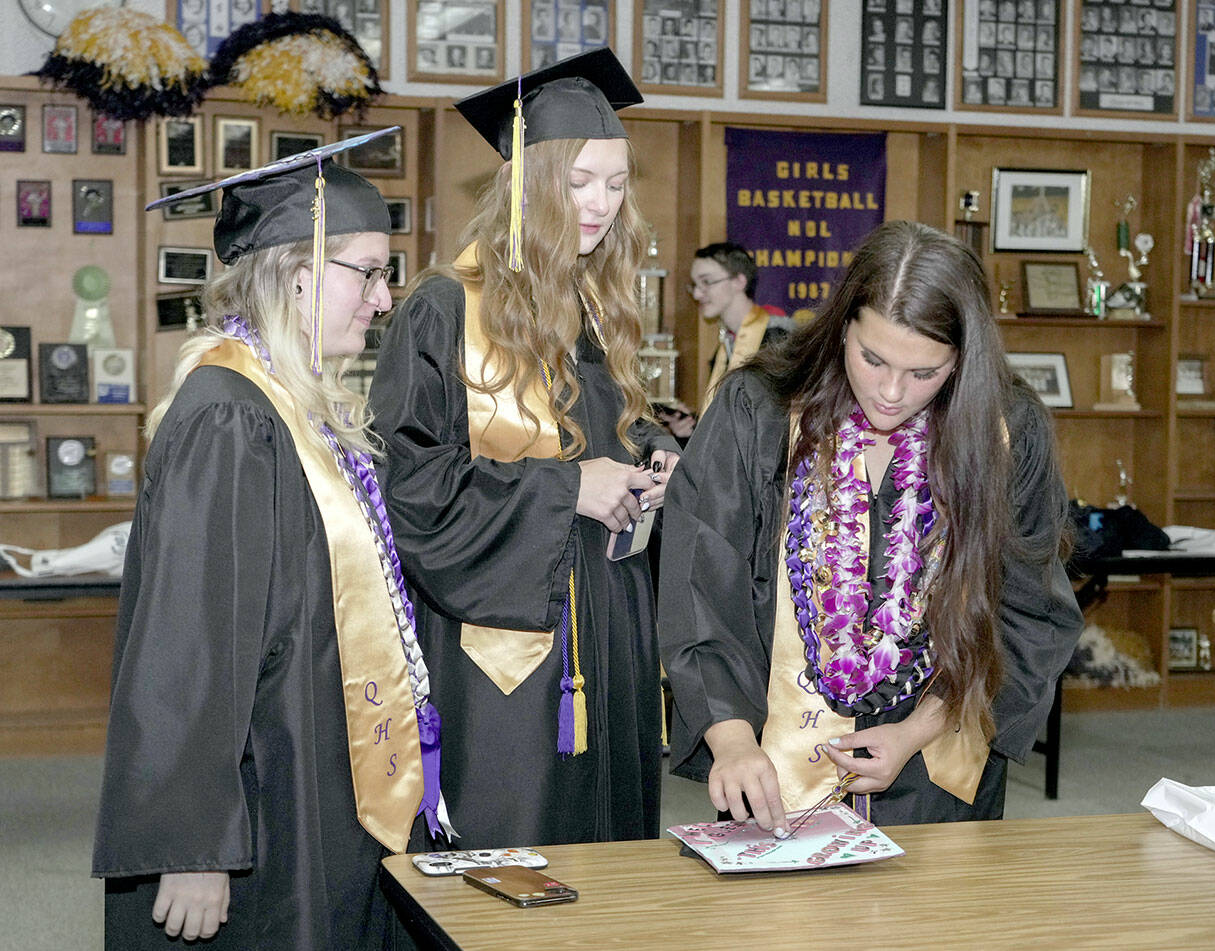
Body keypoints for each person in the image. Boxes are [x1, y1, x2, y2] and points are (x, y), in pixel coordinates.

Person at [92, 131, 449, 947]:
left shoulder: (297, 406)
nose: (384, 298)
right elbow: (187, 644)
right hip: (262, 796)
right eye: (368, 271)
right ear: (296, 274)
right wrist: (192, 843)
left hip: (319, 764)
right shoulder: (229, 415)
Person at [659, 221, 1082, 834]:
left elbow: (1028, 613)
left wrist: (916, 731)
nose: (890, 392)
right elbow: (702, 585)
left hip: (939, 752)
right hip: (772, 763)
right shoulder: (759, 410)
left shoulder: (1005, 431)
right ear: (842, 328)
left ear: (964, 359)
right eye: (873, 357)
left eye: (925, 373)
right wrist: (729, 741)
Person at [367, 49, 678, 850]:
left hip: (609, 625)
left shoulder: (597, 304)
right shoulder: (444, 309)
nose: (601, 204)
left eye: (615, 183)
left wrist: (652, 459)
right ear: (529, 182)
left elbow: (608, 427)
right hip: (506, 650)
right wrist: (565, 489)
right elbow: (412, 490)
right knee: (516, 855)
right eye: (578, 182)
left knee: (610, 855)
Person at [690, 241, 794, 412]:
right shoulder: (725, 348)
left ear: (739, 281)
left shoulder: (778, 341)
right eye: (694, 284)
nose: (697, 293)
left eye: (706, 282)